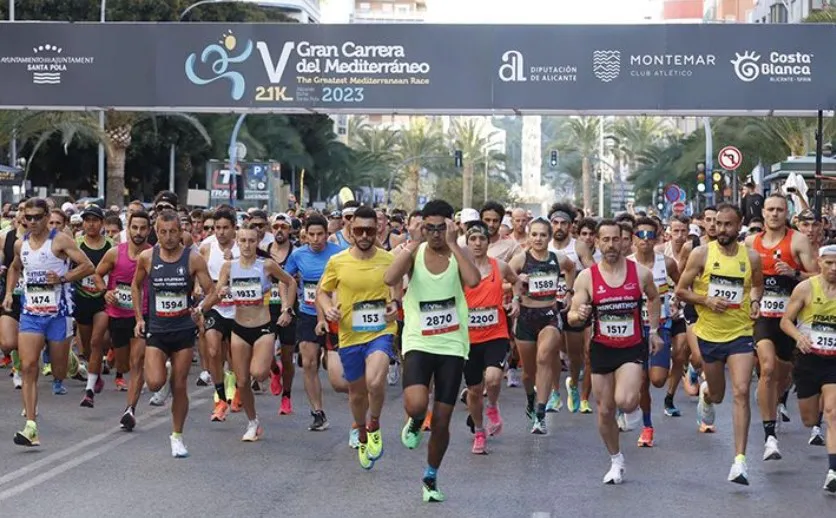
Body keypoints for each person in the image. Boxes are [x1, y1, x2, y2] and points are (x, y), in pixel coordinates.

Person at [384, 199, 480, 503]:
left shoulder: (457, 252)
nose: (436, 234)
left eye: (442, 228)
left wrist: (455, 244)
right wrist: (412, 242)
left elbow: (474, 280)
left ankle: (431, 474)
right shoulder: (414, 251)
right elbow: (389, 278)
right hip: (418, 341)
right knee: (415, 404)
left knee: (441, 420)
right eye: (430, 228)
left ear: (451, 226)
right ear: (421, 226)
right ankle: (414, 420)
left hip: (452, 344)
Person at [567, 219, 663, 484]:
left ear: (624, 242)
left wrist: (653, 331)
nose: (611, 245)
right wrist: (579, 314)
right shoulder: (587, 277)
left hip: (631, 347)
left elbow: (654, 297)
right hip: (601, 349)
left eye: (615, 239)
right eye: (605, 240)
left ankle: (631, 411)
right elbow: (573, 315)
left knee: (626, 400)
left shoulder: (640, 273)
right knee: (605, 410)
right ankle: (616, 459)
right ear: (597, 243)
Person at [675, 204, 764, 485]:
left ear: (739, 226)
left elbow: (758, 285)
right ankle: (706, 394)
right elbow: (680, 290)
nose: (722, 230)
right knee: (719, 394)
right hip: (710, 334)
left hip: (740, 333)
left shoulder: (751, 257)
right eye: (719, 224)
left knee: (741, 391)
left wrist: (756, 302)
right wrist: (707, 300)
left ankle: (740, 461)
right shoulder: (701, 254)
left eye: (728, 225)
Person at [4, 198, 95, 446]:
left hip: (59, 314)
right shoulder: (20, 244)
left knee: (58, 371)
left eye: (37, 217)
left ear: (46, 217)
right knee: (29, 366)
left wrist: (63, 278)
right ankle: (31, 425)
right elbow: (14, 267)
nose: (32, 222)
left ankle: (73, 364)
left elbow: (88, 265)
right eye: (28, 218)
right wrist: (10, 293)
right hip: (31, 313)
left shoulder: (60, 240)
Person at [318, 206, 400, 469]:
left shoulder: (388, 259)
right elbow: (322, 291)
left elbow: (398, 286)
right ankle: (362, 431)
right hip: (350, 334)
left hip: (381, 331)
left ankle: (374, 423)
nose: (364, 235)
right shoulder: (338, 261)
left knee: (375, 382)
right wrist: (327, 308)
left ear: (378, 230)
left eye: (370, 230)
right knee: (356, 393)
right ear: (351, 231)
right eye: (359, 230)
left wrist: (396, 303)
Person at [132, 210, 215, 457]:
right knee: (155, 382)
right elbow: (135, 286)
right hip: (157, 328)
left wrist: (199, 309)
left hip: (182, 330)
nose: (168, 237)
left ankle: (177, 436)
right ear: (155, 232)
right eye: (163, 232)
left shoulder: (193, 258)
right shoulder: (147, 257)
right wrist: (138, 318)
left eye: (173, 232)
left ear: (181, 232)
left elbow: (212, 291)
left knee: (180, 386)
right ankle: (163, 370)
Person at [203, 226, 296, 441]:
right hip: (239, 327)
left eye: (251, 241)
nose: (246, 245)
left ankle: (272, 368)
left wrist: (287, 308)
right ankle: (253, 422)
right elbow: (219, 292)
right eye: (243, 240)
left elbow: (290, 282)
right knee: (242, 382)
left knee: (258, 372)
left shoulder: (267, 266)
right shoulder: (229, 266)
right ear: (237, 241)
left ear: (257, 243)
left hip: (263, 326)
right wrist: (220, 292)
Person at [745, 194, 817, 461]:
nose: (774, 214)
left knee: (784, 376)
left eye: (779, 210)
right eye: (770, 209)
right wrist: (751, 300)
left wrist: (793, 273)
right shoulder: (750, 242)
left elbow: (817, 277)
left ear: (786, 213)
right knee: (767, 368)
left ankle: (776, 395)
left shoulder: (797, 240)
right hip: (763, 316)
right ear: (763, 213)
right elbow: (745, 279)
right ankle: (770, 436)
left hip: (791, 319)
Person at [509, 218, 575, 434]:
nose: (538, 239)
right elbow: (502, 281)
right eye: (534, 234)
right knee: (528, 373)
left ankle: (540, 414)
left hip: (549, 314)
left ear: (549, 237)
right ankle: (530, 398)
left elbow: (571, 268)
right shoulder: (520, 260)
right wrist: (518, 281)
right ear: (529, 236)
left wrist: (569, 293)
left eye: (543, 235)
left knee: (544, 358)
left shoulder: (558, 258)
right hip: (527, 317)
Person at [779, 244, 836, 493]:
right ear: (819, 262)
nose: (834, 268)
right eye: (829, 263)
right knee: (809, 419)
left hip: (833, 361)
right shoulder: (805, 288)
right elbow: (785, 321)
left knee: (833, 413)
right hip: (808, 360)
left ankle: (833, 470)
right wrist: (799, 337)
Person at [463, 221, 519, 452]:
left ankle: (493, 406)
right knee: (475, 391)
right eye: (473, 239)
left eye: (482, 239)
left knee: (495, 378)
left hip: (496, 332)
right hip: (468, 338)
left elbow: (516, 282)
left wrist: (515, 301)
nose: (477, 244)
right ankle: (479, 431)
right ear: (466, 243)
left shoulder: (501, 266)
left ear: (488, 242)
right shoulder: (461, 270)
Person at [284, 214, 343, 431]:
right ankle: (318, 412)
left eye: (320, 234)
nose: (316, 239)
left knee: (333, 367)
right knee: (308, 363)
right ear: (305, 235)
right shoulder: (298, 255)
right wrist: (286, 306)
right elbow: (286, 279)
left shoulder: (339, 254)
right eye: (312, 235)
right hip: (308, 313)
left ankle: (328, 357)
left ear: (327, 235)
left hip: (335, 313)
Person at [94, 210, 152, 430]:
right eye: (134, 228)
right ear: (128, 228)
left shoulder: (153, 253)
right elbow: (97, 274)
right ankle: (113, 358)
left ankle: (130, 409)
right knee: (124, 364)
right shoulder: (115, 253)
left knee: (137, 362)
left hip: (143, 316)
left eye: (143, 228)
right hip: (119, 315)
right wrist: (105, 292)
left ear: (149, 230)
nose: (138, 232)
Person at [628, 217, 680, 447]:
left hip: (661, 327)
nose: (646, 241)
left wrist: (677, 298)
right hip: (635, 329)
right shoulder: (626, 265)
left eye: (651, 236)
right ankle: (647, 426)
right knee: (641, 381)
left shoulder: (667, 263)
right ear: (633, 239)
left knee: (657, 380)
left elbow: (681, 284)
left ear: (657, 237)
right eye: (641, 236)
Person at [199, 208, 240, 420]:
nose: (221, 232)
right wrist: (199, 288)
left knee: (235, 353)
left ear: (234, 228)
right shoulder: (206, 247)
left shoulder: (244, 247)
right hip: (215, 305)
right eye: (218, 228)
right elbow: (197, 272)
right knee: (214, 351)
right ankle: (220, 395)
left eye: (226, 228)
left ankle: (235, 385)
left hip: (238, 308)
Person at [74, 205, 116, 407]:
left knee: (97, 341)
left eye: (95, 220)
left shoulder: (110, 245)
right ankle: (95, 371)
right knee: (88, 345)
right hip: (82, 299)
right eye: (87, 220)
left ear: (102, 223)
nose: (90, 224)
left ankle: (89, 390)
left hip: (102, 301)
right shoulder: (77, 244)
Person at [266, 214, 298, 415]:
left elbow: (294, 281)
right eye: (276, 226)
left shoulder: (296, 254)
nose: (279, 230)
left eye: (283, 227)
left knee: (287, 356)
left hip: (289, 309)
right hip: (266, 308)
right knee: (266, 352)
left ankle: (286, 396)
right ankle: (274, 370)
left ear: (290, 230)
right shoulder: (264, 252)